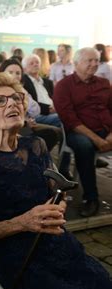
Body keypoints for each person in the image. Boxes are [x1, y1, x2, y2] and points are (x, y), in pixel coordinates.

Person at [0, 72, 112, 289]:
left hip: (57, 244)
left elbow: (56, 191)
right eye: (0, 101)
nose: (13, 103)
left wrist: (59, 205)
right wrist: (24, 222)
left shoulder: (36, 145)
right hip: (20, 258)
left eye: (17, 98)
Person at [54, 47, 112, 217]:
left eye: (97, 60)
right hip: (77, 133)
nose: (94, 64)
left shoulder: (104, 84)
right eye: (90, 60)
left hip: (106, 131)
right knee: (85, 146)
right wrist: (98, 140)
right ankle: (91, 198)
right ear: (77, 63)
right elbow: (70, 120)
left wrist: (110, 137)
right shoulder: (63, 86)